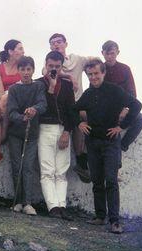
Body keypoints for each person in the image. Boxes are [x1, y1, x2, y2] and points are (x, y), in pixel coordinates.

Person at [72, 59, 141, 234]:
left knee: (111, 181)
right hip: (93, 142)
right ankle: (100, 216)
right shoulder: (87, 94)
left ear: (103, 73)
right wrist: (79, 124)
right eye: (90, 74)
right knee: (97, 181)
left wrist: (122, 126)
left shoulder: (115, 91)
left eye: (96, 73)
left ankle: (115, 221)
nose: (93, 77)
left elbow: (136, 105)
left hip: (111, 143)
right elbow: (72, 110)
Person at [36, 51, 75, 220]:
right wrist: (51, 88)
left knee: (61, 171)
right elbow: (43, 109)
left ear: (61, 67)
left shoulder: (66, 85)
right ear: (45, 64)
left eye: (57, 67)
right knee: (47, 170)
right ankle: (52, 206)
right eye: (51, 66)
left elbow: (71, 111)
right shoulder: (38, 84)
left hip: (62, 130)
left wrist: (67, 131)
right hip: (45, 129)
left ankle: (61, 205)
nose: (54, 69)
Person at [7, 56, 47, 215]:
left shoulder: (39, 86)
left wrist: (34, 109)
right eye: (22, 69)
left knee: (29, 167)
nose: (25, 72)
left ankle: (28, 202)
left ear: (33, 70)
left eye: (28, 69)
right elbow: (11, 112)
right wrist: (22, 117)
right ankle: (17, 201)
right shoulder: (14, 89)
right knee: (17, 166)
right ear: (18, 71)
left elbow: (43, 104)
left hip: (32, 134)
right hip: (15, 134)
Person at [49, 33, 92, 176]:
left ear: (66, 44)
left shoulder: (77, 59)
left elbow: (96, 62)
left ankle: (85, 156)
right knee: (78, 118)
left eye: (59, 42)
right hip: (61, 105)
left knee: (91, 116)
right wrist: (69, 76)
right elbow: (46, 72)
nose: (56, 45)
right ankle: (81, 159)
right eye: (53, 43)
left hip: (78, 102)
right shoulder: (51, 60)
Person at [101, 40, 142, 152]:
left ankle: (123, 146)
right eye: (107, 53)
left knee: (140, 119)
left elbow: (132, 93)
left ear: (118, 52)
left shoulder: (125, 69)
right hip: (104, 110)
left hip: (123, 108)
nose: (110, 56)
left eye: (112, 53)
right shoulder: (99, 69)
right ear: (102, 53)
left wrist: (126, 109)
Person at [0, 39, 23, 166]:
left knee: (6, 101)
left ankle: (3, 133)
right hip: (3, 98)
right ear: (10, 51)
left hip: (17, 98)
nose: (23, 51)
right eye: (20, 48)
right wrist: (3, 101)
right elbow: (0, 89)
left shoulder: (22, 67)